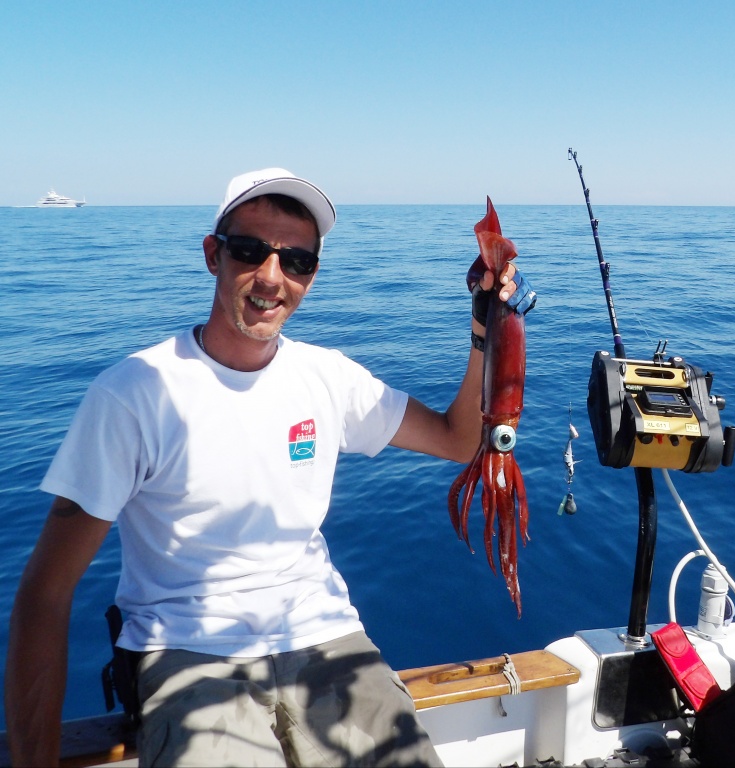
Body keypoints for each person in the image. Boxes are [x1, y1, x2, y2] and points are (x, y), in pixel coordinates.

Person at [5, 168, 531, 767]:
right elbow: (45, 594)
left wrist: (484, 327)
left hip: (324, 636)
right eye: (251, 251)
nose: (272, 278)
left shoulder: (327, 377)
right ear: (213, 254)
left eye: (298, 261)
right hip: (187, 650)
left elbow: (459, 440)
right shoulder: (134, 393)